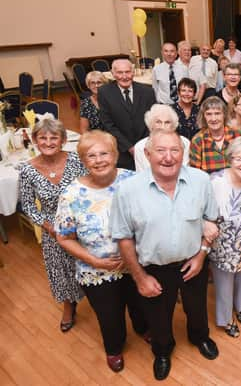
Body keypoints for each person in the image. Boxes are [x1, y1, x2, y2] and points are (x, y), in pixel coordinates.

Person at [111, 129, 221, 380]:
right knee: (158, 317)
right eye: (161, 151)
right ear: (147, 154)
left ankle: (199, 337)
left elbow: (211, 221)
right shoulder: (128, 190)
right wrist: (140, 278)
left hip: (194, 261)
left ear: (184, 154)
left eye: (175, 150)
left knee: (197, 308)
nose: (168, 157)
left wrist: (202, 255)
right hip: (154, 268)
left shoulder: (201, 180)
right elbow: (123, 237)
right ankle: (162, 351)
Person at [55, 131, 148, 371]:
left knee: (140, 303)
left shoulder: (134, 181)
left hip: (136, 264)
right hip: (96, 270)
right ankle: (114, 348)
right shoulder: (71, 194)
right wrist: (95, 261)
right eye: (91, 156)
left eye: (104, 153)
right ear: (84, 162)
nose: (98, 160)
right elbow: (64, 237)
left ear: (115, 155)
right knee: (110, 315)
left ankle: (143, 329)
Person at [19, 118, 86, 331]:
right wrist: (46, 224)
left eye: (53, 137)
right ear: (35, 141)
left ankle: (99, 298)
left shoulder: (76, 160)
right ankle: (69, 305)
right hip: (53, 228)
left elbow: (88, 190)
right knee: (61, 269)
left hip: (82, 225)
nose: (48, 142)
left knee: (88, 264)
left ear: (63, 140)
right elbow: (28, 205)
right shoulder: (27, 170)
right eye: (43, 138)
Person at [209, 137, 241, 337]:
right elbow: (202, 209)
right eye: (239, 159)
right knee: (224, 282)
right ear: (230, 159)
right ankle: (225, 319)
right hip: (224, 245)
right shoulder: (216, 181)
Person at [99, 59, 156, 170]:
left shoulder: (147, 92)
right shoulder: (104, 92)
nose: (124, 76)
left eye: (127, 72)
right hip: (120, 150)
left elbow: (153, 121)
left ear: (133, 72)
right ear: (113, 74)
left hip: (146, 148)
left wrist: (141, 146)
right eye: (120, 72)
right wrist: (129, 147)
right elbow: (107, 123)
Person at [189, 97, 241, 174]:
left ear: (224, 115)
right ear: (204, 117)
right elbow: (195, 175)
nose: (213, 119)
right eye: (209, 114)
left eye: (217, 113)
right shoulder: (198, 140)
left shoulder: (237, 136)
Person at [134, 104, 190, 171]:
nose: (162, 126)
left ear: (173, 125)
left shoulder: (184, 142)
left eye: (167, 122)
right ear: (151, 124)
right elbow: (141, 175)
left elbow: (184, 170)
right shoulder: (140, 146)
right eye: (158, 122)